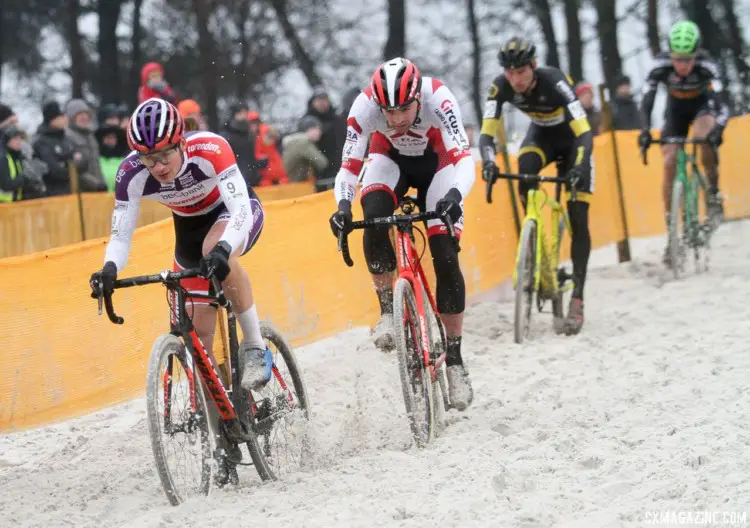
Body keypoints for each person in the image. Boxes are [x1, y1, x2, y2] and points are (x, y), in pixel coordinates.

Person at [89, 98, 271, 393]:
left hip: (234, 214)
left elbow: (240, 210)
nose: (158, 167)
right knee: (199, 343)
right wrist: (109, 267)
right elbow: (121, 235)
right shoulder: (131, 173)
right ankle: (227, 414)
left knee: (213, 248)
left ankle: (254, 346)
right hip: (189, 231)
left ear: (182, 144)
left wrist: (224, 249)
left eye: (164, 156)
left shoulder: (210, 149)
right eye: (149, 159)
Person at [328, 57, 475, 410]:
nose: (395, 119)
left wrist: (455, 196)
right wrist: (343, 207)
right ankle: (387, 313)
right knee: (373, 214)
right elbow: (348, 168)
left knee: (444, 254)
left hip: (439, 166)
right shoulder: (364, 107)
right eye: (388, 112)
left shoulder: (437, 96)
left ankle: (454, 360)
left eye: (404, 110)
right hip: (391, 161)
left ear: (416, 97)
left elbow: (464, 158)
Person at [479, 36, 594, 336]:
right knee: (525, 171)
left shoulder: (554, 81)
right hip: (540, 137)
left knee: (579, 215)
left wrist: (580, 166)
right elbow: (486, 135)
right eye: (510, 72)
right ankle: (535, 242)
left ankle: (578, 297)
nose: (515, 79)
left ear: (533, 66)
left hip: (573, 143)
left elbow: (584, 131)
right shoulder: (499, 87)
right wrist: (489, 162)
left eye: (521, 72)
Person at [639, 20, 729, 265]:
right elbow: (647, 100)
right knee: (668, 162)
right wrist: (645, 130)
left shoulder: (707, 64)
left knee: (703, 140)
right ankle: (672, 234)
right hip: (675, 113)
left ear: (696, 53)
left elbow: (723, 105)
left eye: (688, 59)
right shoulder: (660, 64)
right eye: (678, 59)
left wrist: (718, 129)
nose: (682, 65)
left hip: (702, 109)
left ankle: (712, 193)